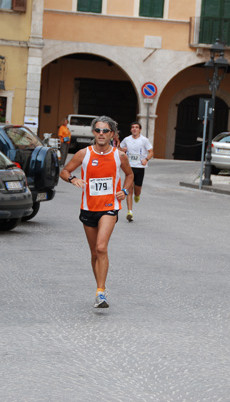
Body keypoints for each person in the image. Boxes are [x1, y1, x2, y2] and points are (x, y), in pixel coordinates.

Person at [60, 115, 133, 308]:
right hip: (88, 207)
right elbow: (64, 171)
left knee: (101, 247)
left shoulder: (119, 155)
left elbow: (130, 175)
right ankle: (100, 286)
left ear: (112, 134)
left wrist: (124, 191)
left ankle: (101, 293)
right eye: (98, 130)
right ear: (94, 133)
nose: (101, 134)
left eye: (105, 131)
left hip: (109, 207)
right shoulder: (84, 154)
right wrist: (73, 179)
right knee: (94, 252)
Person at [119, 121, 154, 222]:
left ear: (140, 130)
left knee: (137, 190)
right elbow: (119, 149)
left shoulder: (144, 140)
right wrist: (122, 150)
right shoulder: (127, 139)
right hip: (129, 167)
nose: (134, 129)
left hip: (140, 167)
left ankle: (137, 195)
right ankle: (130, 212)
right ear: (131, 130)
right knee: (129, 189)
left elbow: (151, 152)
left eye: (136, 127)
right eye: (133, 127)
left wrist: (146, 159)